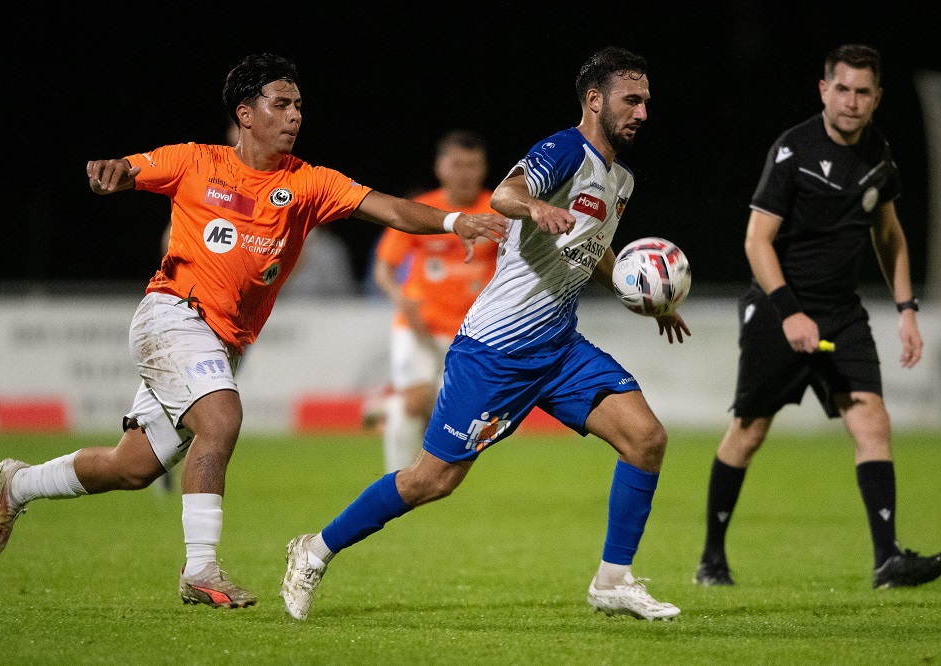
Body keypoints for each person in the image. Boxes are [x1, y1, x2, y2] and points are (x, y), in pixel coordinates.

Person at [0, 53, 507, 609]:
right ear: (246, 114)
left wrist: (454, 220)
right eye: (281, 104)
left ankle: (20, 484)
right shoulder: (194, 161)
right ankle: (200, 568)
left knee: (132, 467)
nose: (294, 115)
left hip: (224, 339)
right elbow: (128, 168)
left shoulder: (309, 182)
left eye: (298, 105)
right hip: (173, 313)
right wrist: (109, 172)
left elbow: (391, 209)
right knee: (222, 418)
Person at [281, 46, 690, 622]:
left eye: (646, 101)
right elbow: (503, 194)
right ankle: (315, 550)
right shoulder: (564, 150)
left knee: (645, 438)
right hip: (496, 351)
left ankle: (613, 580)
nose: (643, 111)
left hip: (559, 348)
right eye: (632, 99)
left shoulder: (619, 179)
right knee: (431, 481)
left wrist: (641, 291)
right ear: (595, 100)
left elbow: (593, 250)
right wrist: (534, 209)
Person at [693, 44, 941, 590]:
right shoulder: (794, 150)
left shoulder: (878, 154)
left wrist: (906, 310)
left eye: (863, 92)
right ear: (824, 90)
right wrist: (789, 314)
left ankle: (887, 560)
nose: (851, 101)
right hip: (777, 308)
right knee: (748, 432)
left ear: (877, 98)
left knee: (873, 423)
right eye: (842, 89)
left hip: (841, 313)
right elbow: (757, 241)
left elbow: (890, 235)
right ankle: (711, 558)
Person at [372, 129, 500, 471]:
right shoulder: (422, 210)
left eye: (472, 165)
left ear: (484, 168)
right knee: (414, 403)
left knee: (456, 414)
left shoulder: (498, 211)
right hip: (418, 326)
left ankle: (390, 412)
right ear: (440, 168)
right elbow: (384, 269)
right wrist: (402, 301)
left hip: (471, 334)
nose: (464, 173)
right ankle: (396, 483)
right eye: (456, 165)